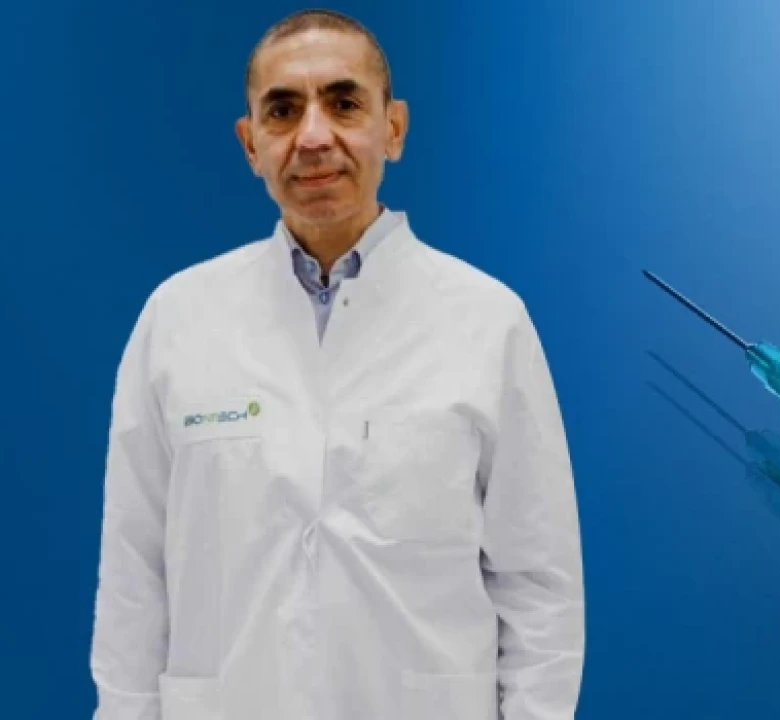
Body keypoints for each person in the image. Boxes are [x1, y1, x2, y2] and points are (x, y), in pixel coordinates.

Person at [88, 9, 585, 720]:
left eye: (344, 103)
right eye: (283, 110)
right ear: (250, 143)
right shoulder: (176, 319)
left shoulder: (488, 321)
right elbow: (134, 576)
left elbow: (538, 584)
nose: (313, 136)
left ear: (394, 128)